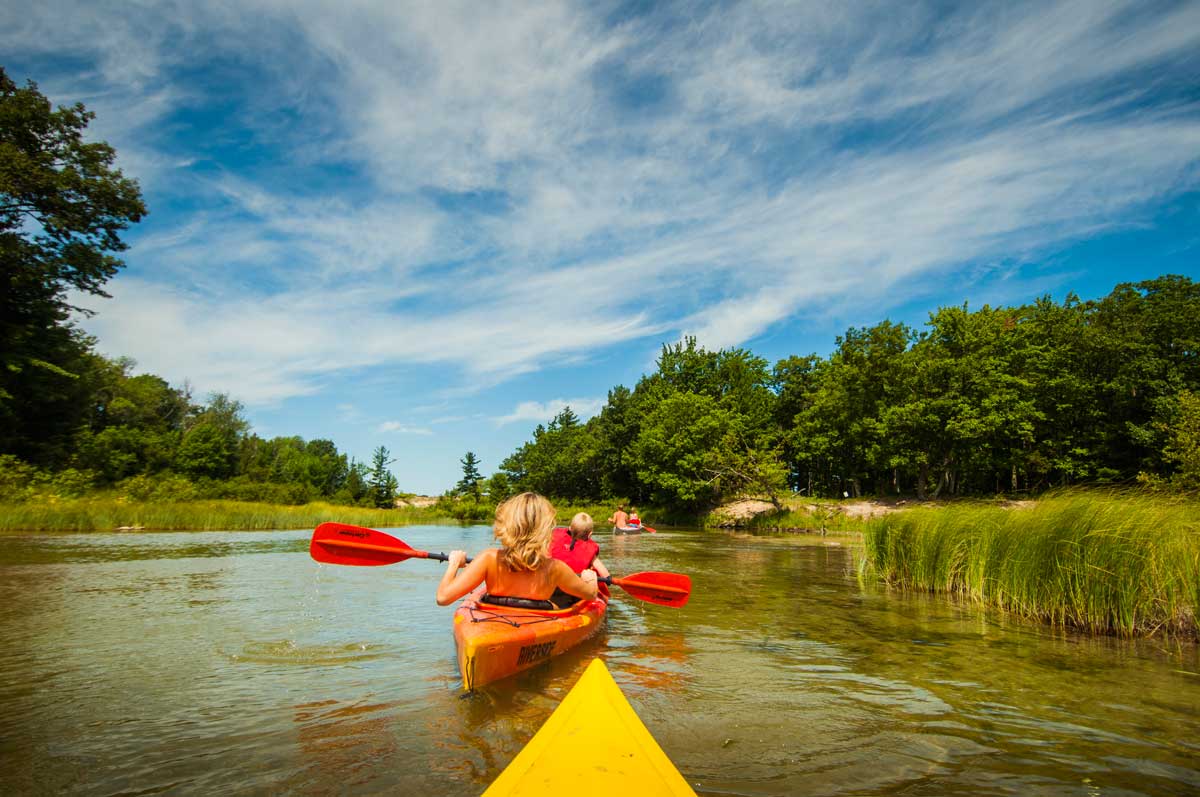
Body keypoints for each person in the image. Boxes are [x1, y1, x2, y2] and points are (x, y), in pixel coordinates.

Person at [436, 492, 598, 610]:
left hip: (496, 623)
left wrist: (454, 564)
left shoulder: (488, 558)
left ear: (507, 524)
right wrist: (591, 579)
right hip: (536, 621)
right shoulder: (555, 568)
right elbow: (590, 595)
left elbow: (443, 598)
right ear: (545, 529)